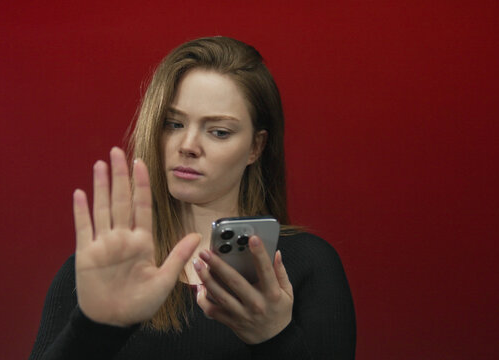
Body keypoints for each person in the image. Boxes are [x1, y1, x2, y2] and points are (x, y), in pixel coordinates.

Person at [29, 36, 356, 359]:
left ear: (256, 147)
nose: (187, 145)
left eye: (219, 131)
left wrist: (274, 338)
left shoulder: (310, 265)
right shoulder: (104, 269)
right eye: (173, 123)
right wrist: (95, 329)